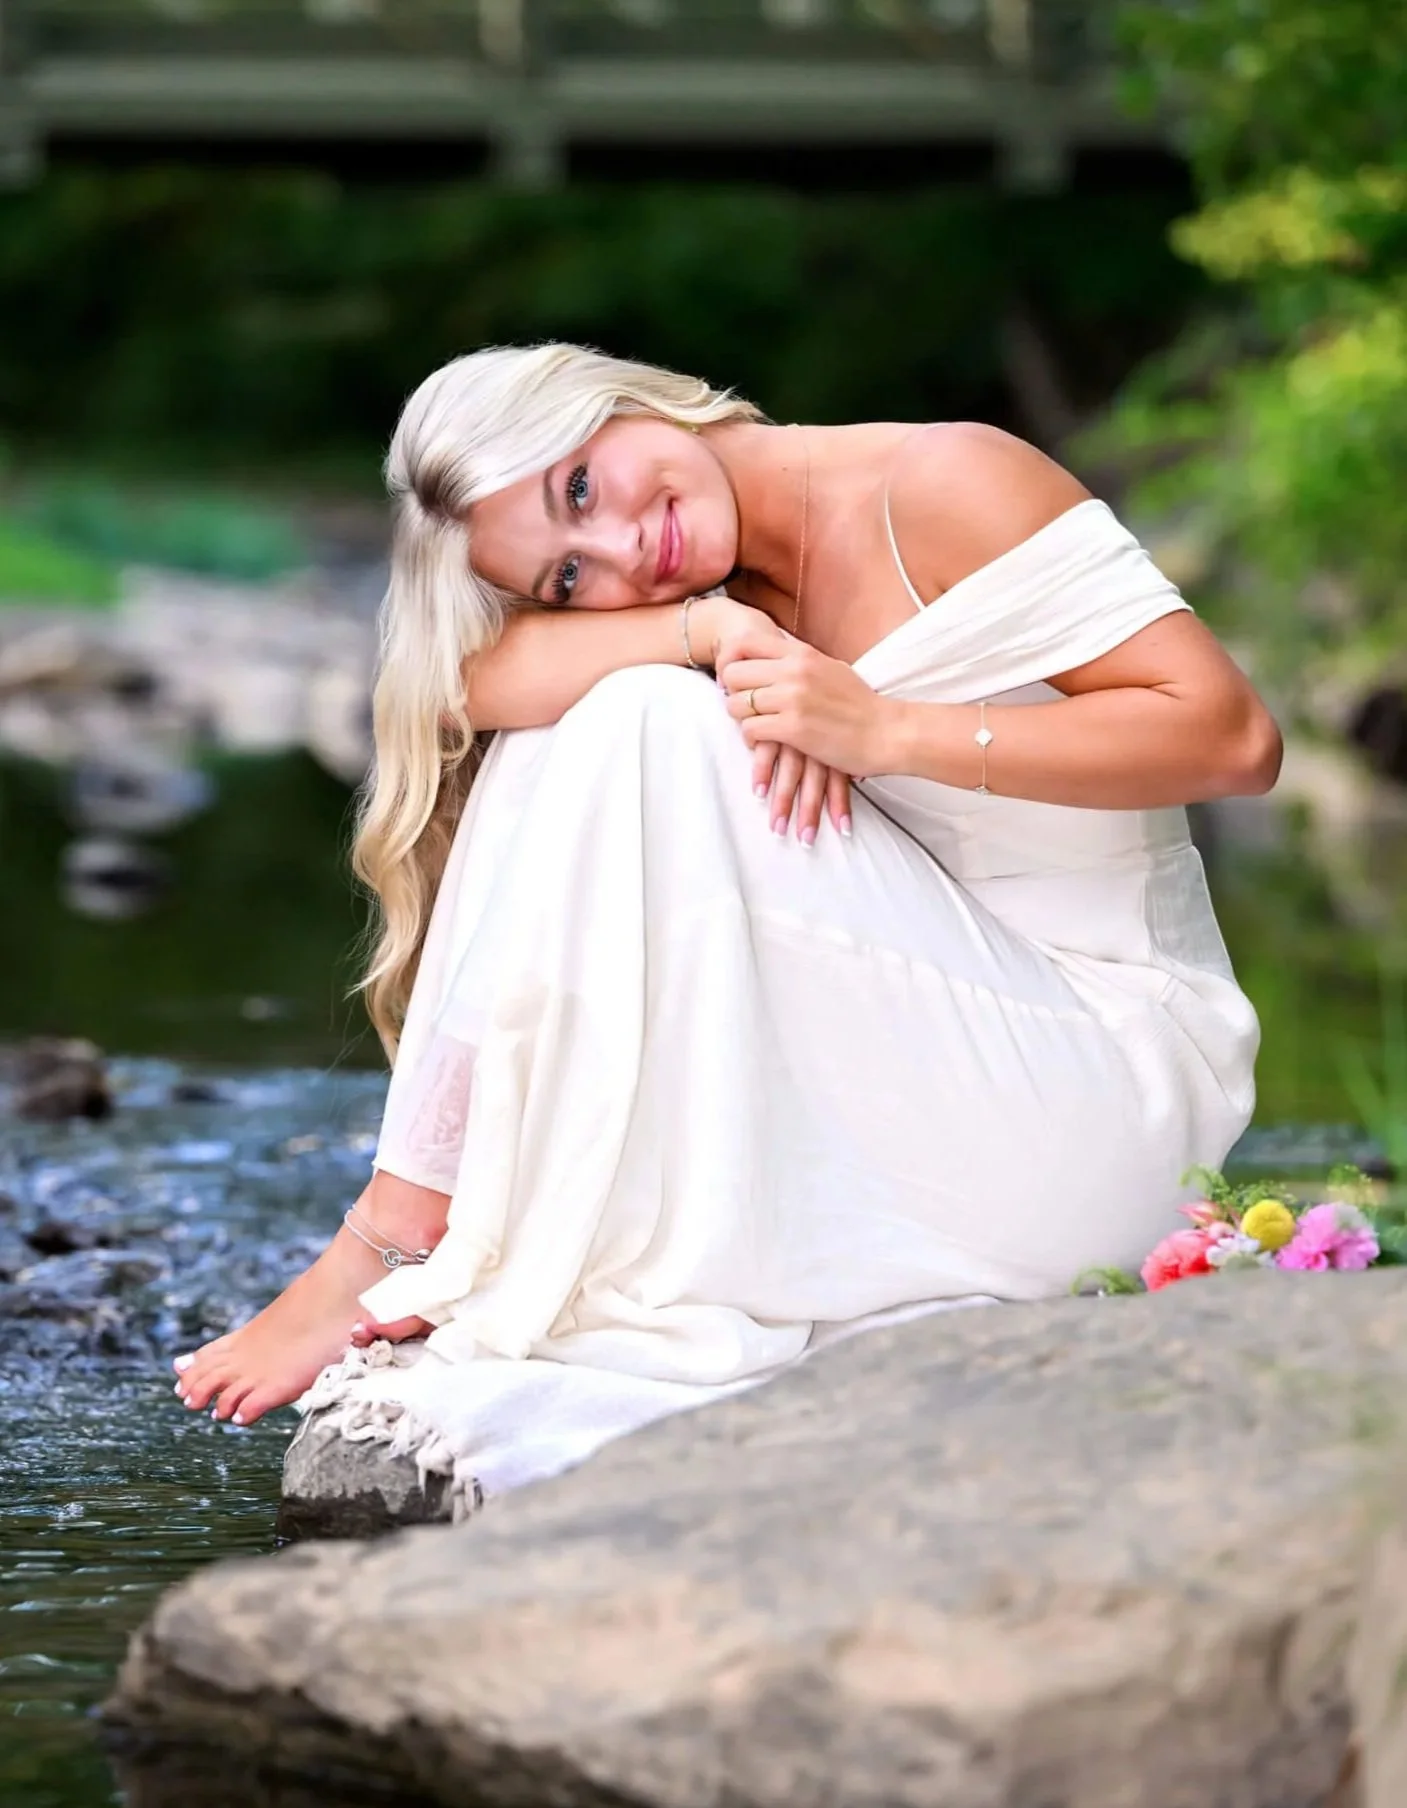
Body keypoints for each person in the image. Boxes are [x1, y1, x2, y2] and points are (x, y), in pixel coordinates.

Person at [174, 343, 1279, 1507]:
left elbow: (1231, 738)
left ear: (618, 399)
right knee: (597, 708)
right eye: (564, 580)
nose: (616, 556)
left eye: (581, 491)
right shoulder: (696, 599)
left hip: (1094, 1092)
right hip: (917, 1092)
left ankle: (392, 1239)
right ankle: (400, 1230)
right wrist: (710, 636)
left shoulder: (949, 482)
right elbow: (462, 684)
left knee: (640, 716)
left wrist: (883, 729)